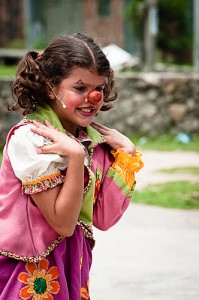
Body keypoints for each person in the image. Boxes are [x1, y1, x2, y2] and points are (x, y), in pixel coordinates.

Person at [0, 32, 143, 299]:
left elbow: (103, 218)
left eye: (99, 88)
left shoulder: (91, 141)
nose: (93, 97)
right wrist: (75, 159)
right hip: (28, 274)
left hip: (73, 267)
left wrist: (127, 153)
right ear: (51, 87)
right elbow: (63, 225)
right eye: (80, 88)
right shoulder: (31, 139)